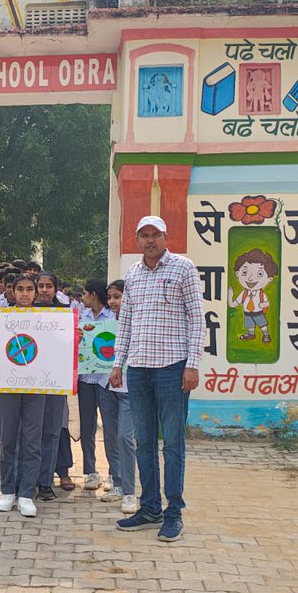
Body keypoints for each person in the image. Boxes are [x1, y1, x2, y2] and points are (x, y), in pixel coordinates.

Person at [110, 216, 205, 543]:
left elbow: (197, 318)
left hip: (172, 369)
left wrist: (192, 365)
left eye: (155, 235)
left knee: (173, 443)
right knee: (144, 442)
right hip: (138, 369)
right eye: (144, 236)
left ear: (166, 237)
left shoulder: (183, 268)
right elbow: (126, 323)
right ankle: (149, 507)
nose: (150, 241)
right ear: (137, 240)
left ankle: (173, 512)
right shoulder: (133, 275)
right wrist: (118, 362)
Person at [0, 274, 46, 518]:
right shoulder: (0, 319)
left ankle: (26, 492)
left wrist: (72, 338)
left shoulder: (48, 320)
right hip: (7, 385)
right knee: (8, 438)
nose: (25, 294)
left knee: (32, 440)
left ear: (36, 293)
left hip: (37, 386)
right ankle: (7, 490)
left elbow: (57, 346)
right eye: (20, 289)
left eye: (29, 289)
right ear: (12, 292)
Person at [35, 271, 73, 499]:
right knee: (30, 433)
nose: (44, 290)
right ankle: (29, 480)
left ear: (56, 289)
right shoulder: (22, 313)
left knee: (52, 431)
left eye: (49, 285)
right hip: (28, 383)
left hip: (55, 381)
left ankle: (47, 481)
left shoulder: (66, 314)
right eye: (40, 285)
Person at [76, 279, 113, 494]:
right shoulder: (83, 316)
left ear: (93, 295)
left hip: (106, 379)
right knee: (87, 427)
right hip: (85, 380)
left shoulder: (112, 317)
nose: (82, 298)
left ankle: (112, 472)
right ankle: (91, 470)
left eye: (84, 294)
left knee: (110, 427)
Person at [106, 280, 139, 515]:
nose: (113, 302)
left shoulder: (138, 322)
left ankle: (129, 492)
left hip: (130, 389)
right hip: (106, 387)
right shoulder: (105, 323)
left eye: (117, 296)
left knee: (125, 438)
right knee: (110, 438)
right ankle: (117, 483)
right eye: (110, 297)